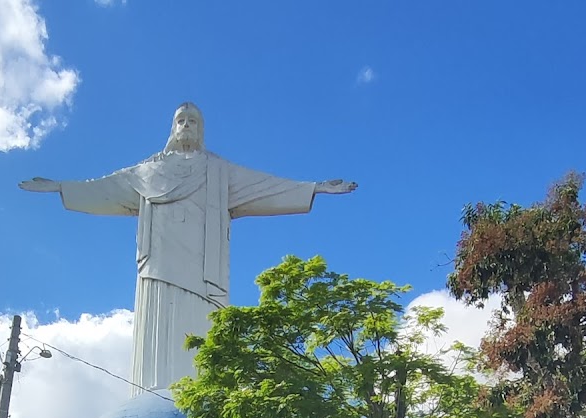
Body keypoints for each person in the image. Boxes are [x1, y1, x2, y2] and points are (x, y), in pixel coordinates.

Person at [21, 103, 357, 391]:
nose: (186, 125)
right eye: (181, 120)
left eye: (192, 120)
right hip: (157, 270)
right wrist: (60, 187)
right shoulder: (147, 171)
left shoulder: (218, 170)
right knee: (158, 335)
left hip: (204, 274)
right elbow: (103, 189)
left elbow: (265, 187)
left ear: (201, 130)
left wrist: (314, 188)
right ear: (172, 127)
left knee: (205, 336)